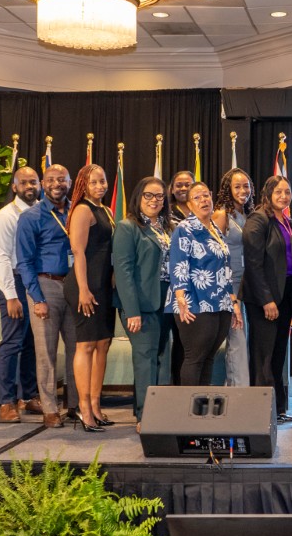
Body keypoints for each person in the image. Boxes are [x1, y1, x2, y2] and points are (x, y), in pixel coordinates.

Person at [15, 164, 79, 428]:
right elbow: (24, 262)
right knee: (46, 352)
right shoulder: (31, 217)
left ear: (70, 182)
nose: (56, 184)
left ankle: (75, 405)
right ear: (43, 183)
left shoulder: (78, 211)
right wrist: (37, 298)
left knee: (77, 350)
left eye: (62, 179)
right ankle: (50, 409)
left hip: (74, 286)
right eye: (51, 180)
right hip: (45, 285)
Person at [113, 176, 174, 433]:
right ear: (139, 197)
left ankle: (160, 412)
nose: (154, 200)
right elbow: (123, 272)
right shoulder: (127, 227)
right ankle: (145, 415)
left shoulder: (168, 227)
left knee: (162, 358)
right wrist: (132, 311)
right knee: (145, 359)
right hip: (141, 304)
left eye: (159, 196)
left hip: (167, 302)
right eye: (149, 195)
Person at [168, 182, 243, 385]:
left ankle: (202, 402)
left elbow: (225, 268)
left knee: (209, 357)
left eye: (206, 196)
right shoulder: (185, 229)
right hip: (195, 301)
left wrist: (233, 302)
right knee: (195, 357)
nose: (203, 200)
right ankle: (188, 403)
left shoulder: (215, 229)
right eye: (197, 197)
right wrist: (181, 298)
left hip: (220, 302)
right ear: (189, 205)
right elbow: (178, 264)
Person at [64, 164, 116, 432]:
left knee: (103, 344)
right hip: (85, 285)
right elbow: (78, 252)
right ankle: (83, 409)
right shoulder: (83, 210)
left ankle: (96, 405)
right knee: (85, 345)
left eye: (102, 181)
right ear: (83, 184)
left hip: (103, 287)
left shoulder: (105, 210)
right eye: (94, 182)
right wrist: (83, 289)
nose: (100, 186)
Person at [0, 166, 42, 423]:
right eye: (24, 182)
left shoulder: (43, 211)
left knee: (32, 341)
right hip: (14, 281)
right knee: (13, 341)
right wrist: (10, 295)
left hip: (37, 280)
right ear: (14, 187)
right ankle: (7, 401)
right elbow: (0, 258)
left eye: (33, 182)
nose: (29, 186)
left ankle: (28, 396)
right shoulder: (4, 217)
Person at [242, 175, 292, 422]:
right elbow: (253, 264)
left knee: (277, 354)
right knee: (263, 355)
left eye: (287, 192)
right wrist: (266, 300)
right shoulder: (258, 219)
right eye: (278, 192)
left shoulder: (287, 220)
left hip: (285, 295)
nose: (284, 196)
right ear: (268, 194)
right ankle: (261, 412)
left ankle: (278, 409)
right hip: (265, 298)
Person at [212, 168, 254, 386]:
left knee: (244, 338)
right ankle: (238, 391)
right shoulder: (221, 215)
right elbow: (216, 254)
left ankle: (240, 387)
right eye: (237, 187)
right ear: (227, 189)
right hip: (230, 285)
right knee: (237, 338)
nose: (243, 191)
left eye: (246, 186)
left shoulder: (248, 215)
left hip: (249, 284)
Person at [167, 169, 196, 383]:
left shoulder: (203, 212)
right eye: (179, 185)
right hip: (176, 283)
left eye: (188, 184)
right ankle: (177, 385)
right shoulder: (167, 213)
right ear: (171, 189)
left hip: (200, 284)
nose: (183, 188)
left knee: (193, 340)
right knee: (180, 339)